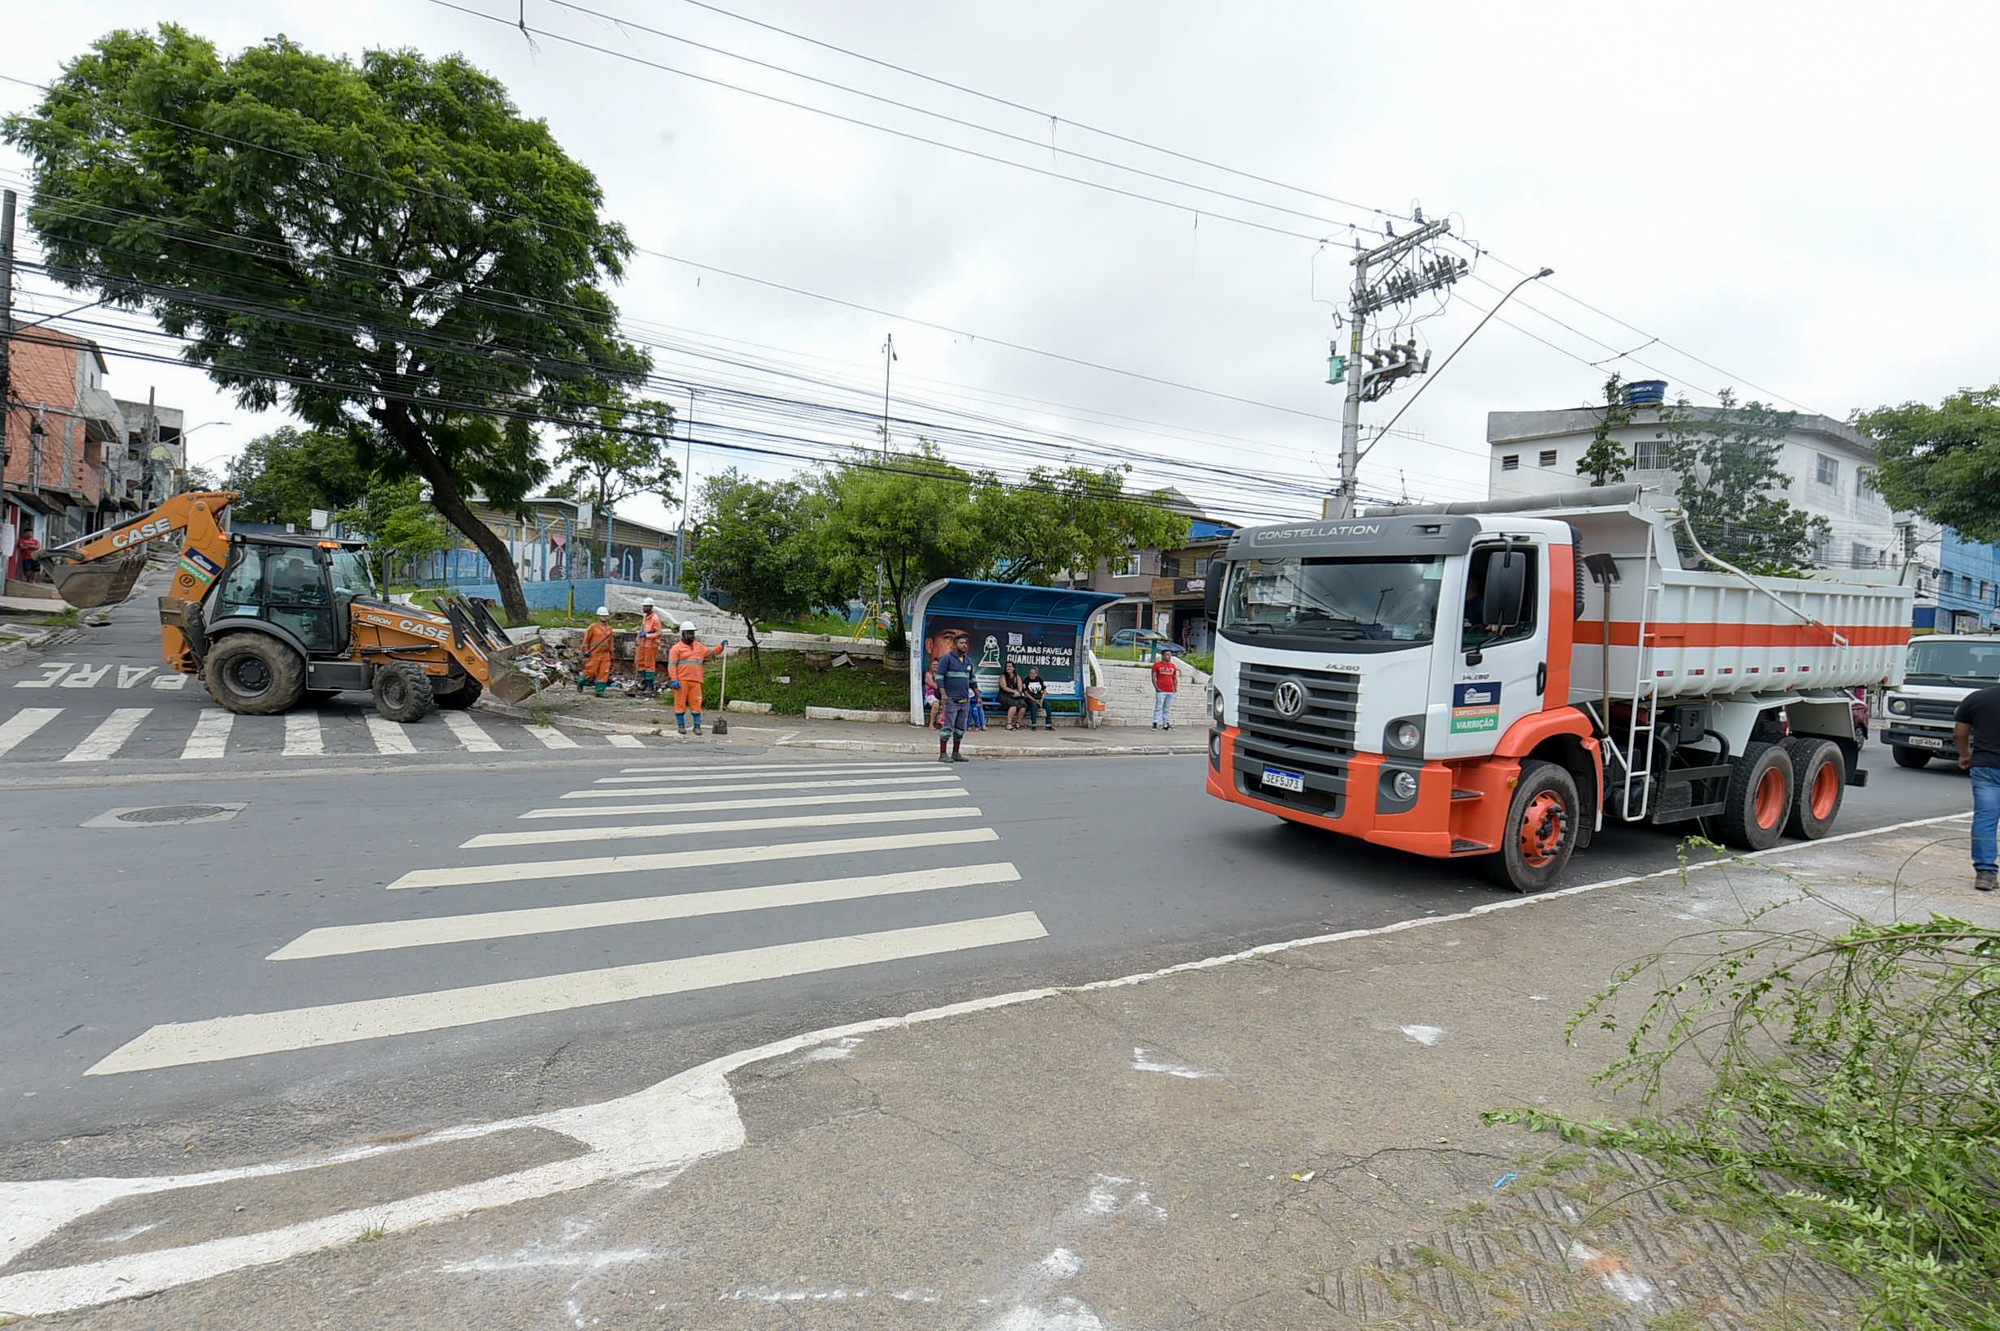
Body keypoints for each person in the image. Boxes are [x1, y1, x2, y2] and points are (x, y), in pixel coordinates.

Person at [1953, 680, 2000, 890]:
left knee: (1985, 819)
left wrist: (1964, 754)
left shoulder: (1978, 698)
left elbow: (1959, 734)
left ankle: (1985, 873)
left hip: (1986, 766)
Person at [667, 621, 727, 735]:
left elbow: (711, 652)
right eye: (689, 633)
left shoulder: (698, 646)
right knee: (680, 703)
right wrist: (674, 679)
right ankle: (681, 725)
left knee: (696, 703)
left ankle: (697, 726)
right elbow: (672, 665)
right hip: (681, 680)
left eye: (692, 633)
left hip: (696, 680)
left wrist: (721, 647)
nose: (692, 635)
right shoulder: (676, 649)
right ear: (683, 633)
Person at [934, 633, 976, 763]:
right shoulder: (946, 658)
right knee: (947, 727)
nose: (964, 645)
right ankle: (942, 754)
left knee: (960, 728)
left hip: (965, 700)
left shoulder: (969, 661)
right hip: (951, 699)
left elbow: (972, 680)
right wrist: (943, 694)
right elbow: (939, 677)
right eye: (961, 643)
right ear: (954, 645)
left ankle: (956, 753)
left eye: (965, 643)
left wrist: (978, 696)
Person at [579, 606, 616, 698]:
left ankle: (599, 692)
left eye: (606, 616)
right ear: (598, 616)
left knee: (604, 673)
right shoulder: (593, 627)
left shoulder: (609, 629)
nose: (604, 617)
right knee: (590, 672)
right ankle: (581, 682)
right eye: (602, 616)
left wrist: (612, 655)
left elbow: (611, 643)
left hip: (605, 654)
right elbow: (586, 640)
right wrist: (585, 651)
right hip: (594, 653)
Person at [633, 598, 665, 696]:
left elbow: (659, 633)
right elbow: (642, 629)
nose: (644, 608)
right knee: (640, 663)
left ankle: (649, 686)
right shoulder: (645, 617)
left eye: (646, 606)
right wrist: (638, 639)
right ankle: (645, 682)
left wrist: (647, 635)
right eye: (644, 606)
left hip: (651, 645)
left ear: (651, 607)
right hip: (643, 644)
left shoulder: (655, 619)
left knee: (649, 665)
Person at [1151, 652, 1179, 730]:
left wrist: (1175, 687)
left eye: (1170, 655)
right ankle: (1155, 723)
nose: (1169, 656)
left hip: (1170, 690)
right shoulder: (1157, 665)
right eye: (1167, 654)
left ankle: (1166, 723)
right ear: (1163, 656)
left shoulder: (1173, 666)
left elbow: (1174, 677)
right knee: (1158, 707)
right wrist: (1156, 688)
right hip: (1161, 690)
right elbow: (1153, 677)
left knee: (1167, 708)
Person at [999, 662, 1026, 730]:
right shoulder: (1003, 676)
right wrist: (1014, 691)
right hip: (1004, 695)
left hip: (1015, 695)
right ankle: (1008, 724)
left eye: (1010, 666)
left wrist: (1018, 692)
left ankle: (1017, 723)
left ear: (1013, 668)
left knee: (1023, 705)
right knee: (1013, 705)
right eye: (1007, 666)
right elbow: (1004, 687)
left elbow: (1020, 687)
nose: (1008, 668)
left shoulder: (1017, 676)